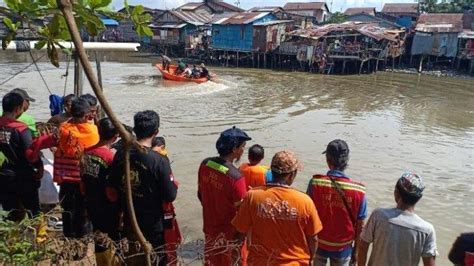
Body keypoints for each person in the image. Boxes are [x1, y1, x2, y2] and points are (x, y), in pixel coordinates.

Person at [107, 110, 177, 266]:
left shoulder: (121, 154)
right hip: (152, 223)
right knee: (157, 258)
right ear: (156, 131)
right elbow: (170, 195)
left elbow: (112, 186)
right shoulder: (159, 161)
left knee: (134, 255)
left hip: (129, 218)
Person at [232, 150, 323, 265]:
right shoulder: (305, 201)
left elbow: (239, 234)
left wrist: (236, 260)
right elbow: (313, 238)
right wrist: (311, 258)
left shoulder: (253, 196)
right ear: (291, 175)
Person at [307, 139, 367, 266]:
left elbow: (307, 215)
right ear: (346, 161)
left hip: (319, 242)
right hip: (343, 247)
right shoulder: (358, 190)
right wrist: (355, 252)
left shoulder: (315, 183)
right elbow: (360, 225)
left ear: (328, 161)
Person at [358, 172, 437, 266]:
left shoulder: (378, 216)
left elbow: (363, 245)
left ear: (396, 192)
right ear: (419, 198)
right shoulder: (427, 230)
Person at [198, 126, 251, 265]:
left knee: (212, 261)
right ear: (234, 149)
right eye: (243, 147)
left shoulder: (205, 164)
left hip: (210, 226)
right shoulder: (236, 177)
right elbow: (243, 213)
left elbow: (200, 195)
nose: (243, 150)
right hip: (230, 233)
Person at [54, 98, 100, 238]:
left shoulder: (63, 129)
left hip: (65, 178)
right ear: (87, 116)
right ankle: (81, 245)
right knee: (83, 213)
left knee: (67, 212)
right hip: (83, 180)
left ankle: (69, 240)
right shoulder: (92, 131)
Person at [80, 117, 119, 265]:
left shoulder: (86, 153)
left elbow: (82, 184)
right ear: (115, 137)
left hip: (91, 201)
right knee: (110, 239)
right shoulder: (111, 157)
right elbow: (111, 191)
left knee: (98, 237)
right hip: (107, 205)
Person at [0, 92, 43, 221]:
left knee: (10, 211)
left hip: (3, 175)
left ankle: (10, 239)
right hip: (23, 176)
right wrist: (39, 166)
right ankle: (40, 239)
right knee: (34, 211)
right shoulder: (20, 128)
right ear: (18, 108)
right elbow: (30, 152)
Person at [151, 136, 182, 266]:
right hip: (165, 209)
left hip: (148, 209)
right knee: (168, 241)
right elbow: (170, 194)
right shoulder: (162, 160)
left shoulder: (142, 157)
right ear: (162, 147)